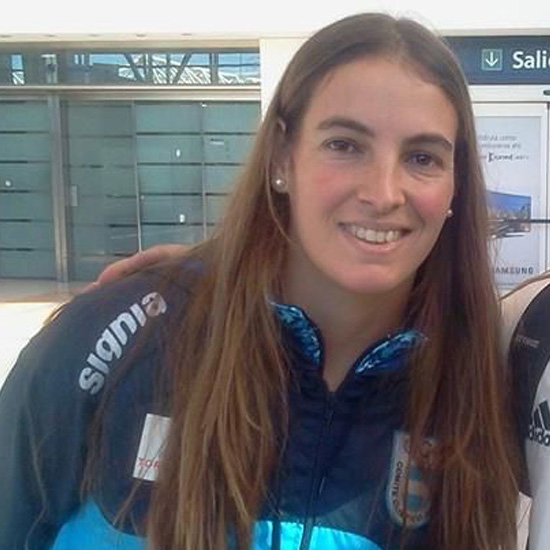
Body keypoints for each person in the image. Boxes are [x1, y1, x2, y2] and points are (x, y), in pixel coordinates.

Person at [0, 13, 520, 550]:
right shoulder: (123, 338)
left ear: (456, 184)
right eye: (344, 145)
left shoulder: (482, 374)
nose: (384, 193)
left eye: (422, 157)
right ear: (281, 158)